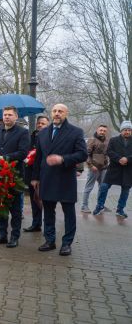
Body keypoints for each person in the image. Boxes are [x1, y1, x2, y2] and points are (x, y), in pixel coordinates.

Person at [32, 104, 87, 256]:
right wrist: (35, 178)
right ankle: (50, 240)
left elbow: (82, 155)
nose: (57, 114)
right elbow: (38, 158)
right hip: (47, 178)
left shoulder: (76, 132)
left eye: (60, 111)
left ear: (66, 114)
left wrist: (62, 159)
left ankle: (67, 243)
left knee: (69, 212)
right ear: (51, 113)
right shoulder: (42, 134)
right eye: (55, 111)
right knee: (48, 212)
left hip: (65, 179)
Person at [0, 106, 30, 248]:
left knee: (15, 209)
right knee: (0, 206)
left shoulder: (23, 132)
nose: (7, 117)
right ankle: (2, 234)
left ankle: (15, 237)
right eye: (5, 115)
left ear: (16, 117)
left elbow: (23, 152)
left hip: (14, 176)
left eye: (10, 115)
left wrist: (5, 157)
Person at [92, 121, 132, 218]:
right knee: (104, 187)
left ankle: (120, 209)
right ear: (121, 130)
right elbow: (109, 151)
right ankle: (100, 206)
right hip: (114, 168)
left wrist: (127, 159)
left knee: (125, 190)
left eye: (129, 130)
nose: (127, 132)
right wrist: (119, 159)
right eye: (125, 130)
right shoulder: (113, 140)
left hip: (128, 170)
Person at [23, 115, 50, 232]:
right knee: (35, 200)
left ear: (48, 125)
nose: (40, 125)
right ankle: (36, 223)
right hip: (32, 173)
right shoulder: (31, 137)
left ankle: (48, 225)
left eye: (43, 123)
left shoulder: (51, 136)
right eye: (39, 123)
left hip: (46, 174)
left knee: (47, 202)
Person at [80, 125, 109, 213]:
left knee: (102, 187)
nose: (102, 132)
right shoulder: (92, 140)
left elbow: (107, 154)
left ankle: (100, 205)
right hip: (94, 168)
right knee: (89, 187)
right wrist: (91, 165)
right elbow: (86, 154)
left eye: (104, 131)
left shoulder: (107, 141)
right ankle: (84, 206)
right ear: (97, 130)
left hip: (104, 168)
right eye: (101, 130)